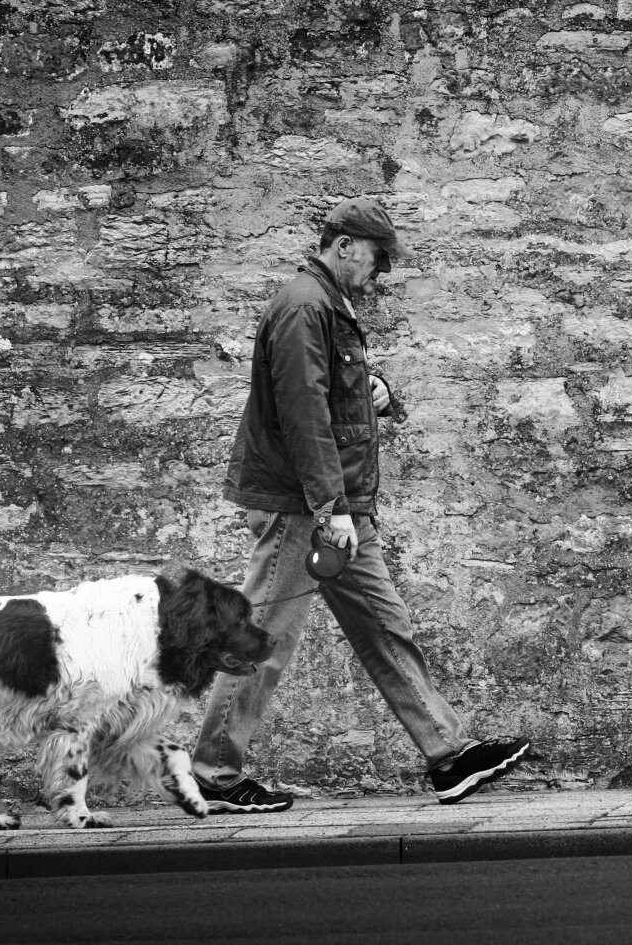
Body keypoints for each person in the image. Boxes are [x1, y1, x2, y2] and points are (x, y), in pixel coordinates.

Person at [192, 195, 530, 812]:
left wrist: (377, 391)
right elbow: (302, 415)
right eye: (378, 257)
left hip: (337, 504)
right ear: (344, 244)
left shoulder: (326, 304)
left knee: (383, 625)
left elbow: (332, 398)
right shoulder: (304, 305)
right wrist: (329, 508)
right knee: (262, 637)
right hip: (306, 509)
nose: (383, 271)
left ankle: (449, 757)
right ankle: (212, 775)